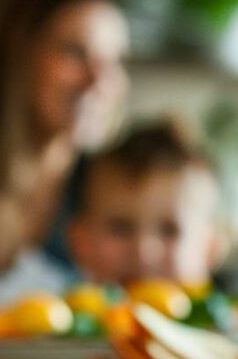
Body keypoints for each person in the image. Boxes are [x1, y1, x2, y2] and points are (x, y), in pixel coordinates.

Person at [0, 0, 130, 303]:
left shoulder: (113, 200)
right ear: (18, 59)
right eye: (75, 53)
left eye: (115, 61)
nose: (99, 80)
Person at [65, 120, 227, 290]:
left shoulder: (237, 316)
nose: (143, 251)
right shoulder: (59, 311)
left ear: (211, 248)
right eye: (120, 228)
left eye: (169, 230)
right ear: (80, 242)